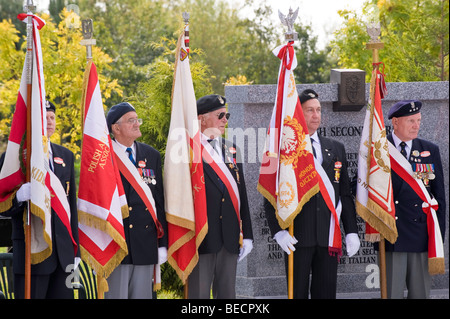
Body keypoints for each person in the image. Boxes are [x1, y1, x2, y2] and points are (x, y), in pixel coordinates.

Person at [264, 89, 360, 299]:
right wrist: (277, 231)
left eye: (318, 110)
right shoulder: (283, 149)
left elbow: (344, 193)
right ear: (299, 114)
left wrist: (351, 230)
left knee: (325, 294)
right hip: (296, 235)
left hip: (328, 237)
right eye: (310, 110)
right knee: (297, 294)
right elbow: (269, 193)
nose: (316, 115)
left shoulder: (336, 148)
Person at [0, 100, 80, 299]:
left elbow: (71, 208)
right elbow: (2, 203)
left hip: (63, 253)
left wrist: (75, 251)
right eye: (44, 118)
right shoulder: (14, 158)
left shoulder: (66, 156)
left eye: (52, 117)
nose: (50, 121)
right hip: (32, 250)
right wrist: (18, 197)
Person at [187, 94, 254, 299]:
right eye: (220, 115)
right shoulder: (187, 150)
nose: (225, 120)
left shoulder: (231, 149)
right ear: (201, 119)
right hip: (201, 237)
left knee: (227, 295)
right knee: (198, 296)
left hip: (230, 236)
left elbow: (241, 194)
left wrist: (248, 234)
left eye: (227, 115)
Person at [105, 102, 168, 299]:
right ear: (116, 128)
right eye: (131, 121)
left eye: (137, 119)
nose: (137, 124)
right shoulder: (103, 156)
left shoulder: (152, 155)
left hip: (145, 242)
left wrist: (163, 243)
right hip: (116, 244)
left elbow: (159, 202)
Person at [384, 100, 446, 299]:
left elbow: (439, 198)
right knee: (392, 293)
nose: (416, 125)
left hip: (421, 234)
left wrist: (438, 237)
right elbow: (359, 186)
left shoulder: (430, 150)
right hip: (392, 234)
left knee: (420, 294)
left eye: (418, 120)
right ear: (395, 122)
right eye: (411, 121)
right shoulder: (378, 149)